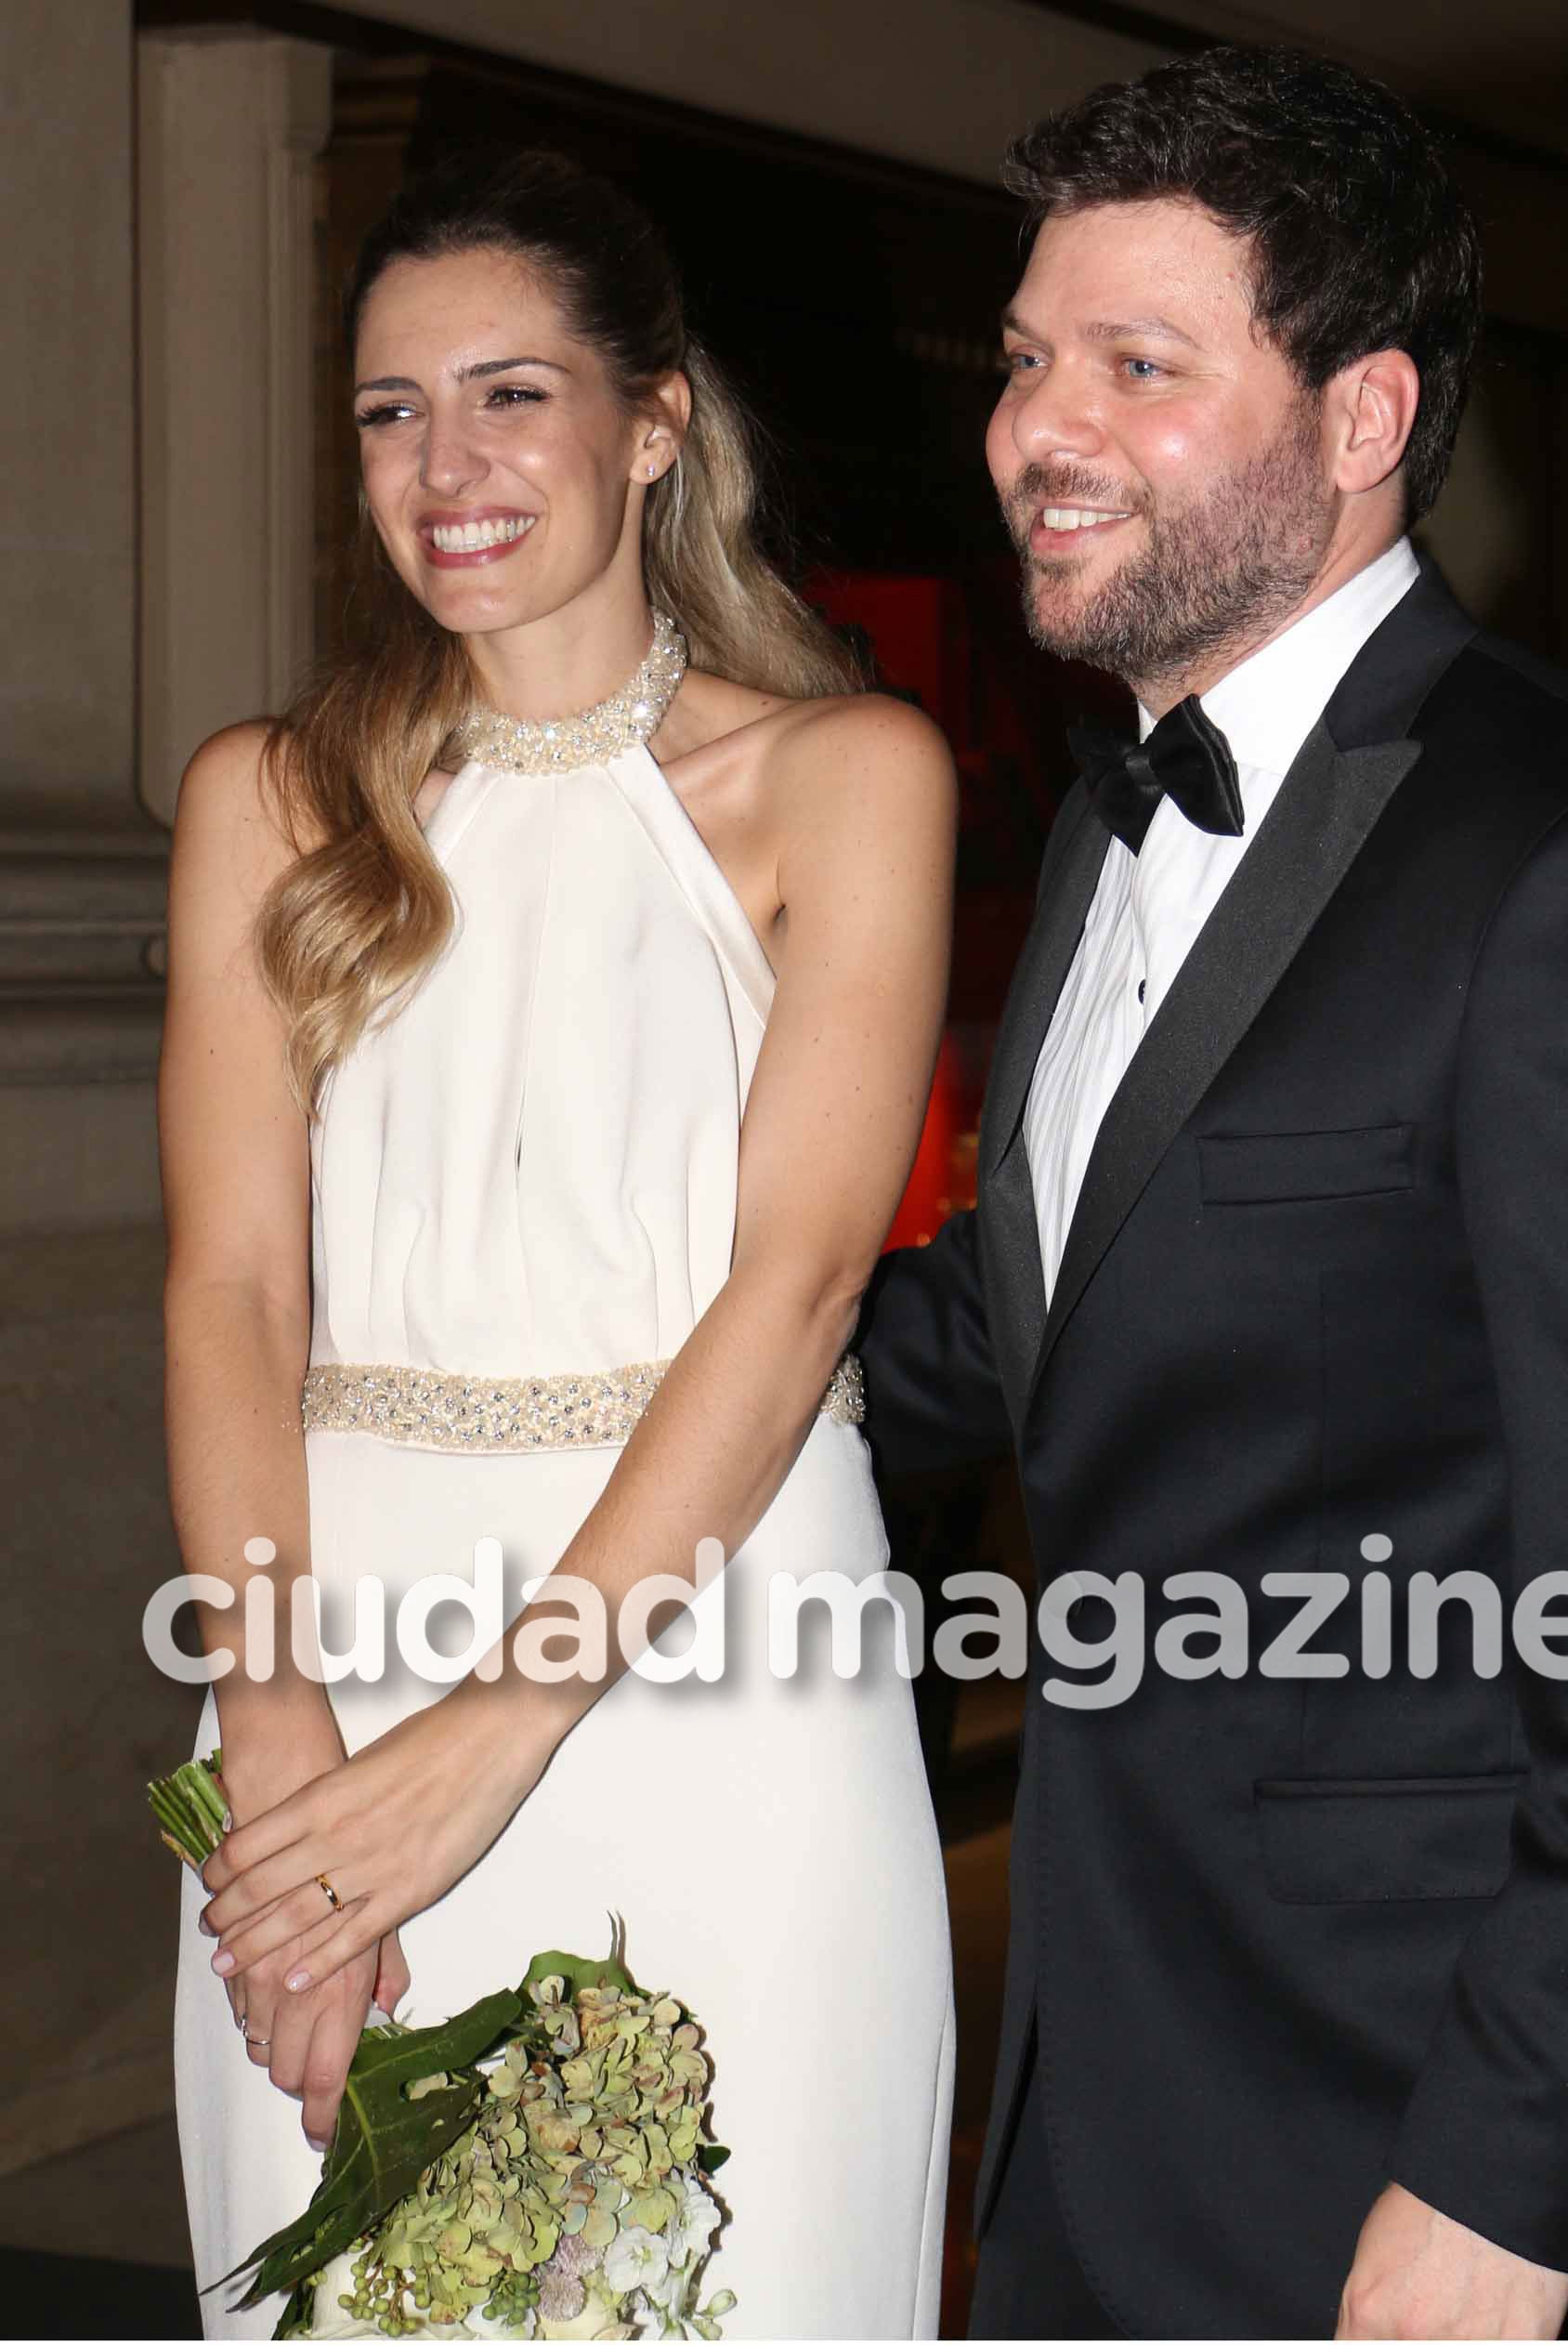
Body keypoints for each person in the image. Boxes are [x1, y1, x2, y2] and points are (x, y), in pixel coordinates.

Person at [856, 42, 1568, 2342]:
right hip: (1111, 2074)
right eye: (1021, 361)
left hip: (1422, 2137)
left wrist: (1511, 2187)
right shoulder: (1107, 825)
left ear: (1362, 415)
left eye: (1135, 365)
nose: (1032, 428)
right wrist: (549, 1415)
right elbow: (1022, 1332)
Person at [168, 149, 957, 2338]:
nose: (446, 466)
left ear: (655, 419)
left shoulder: (844, 775)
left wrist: (495, 1734)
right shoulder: (272, 797)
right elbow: (227, 1283)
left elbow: (796, 1285)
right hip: (330, 1662)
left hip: (720, 1663)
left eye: (511, 395)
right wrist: (278, 1733)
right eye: (389, 410)